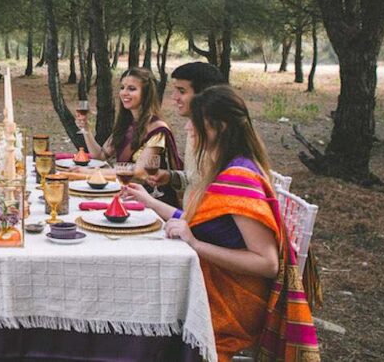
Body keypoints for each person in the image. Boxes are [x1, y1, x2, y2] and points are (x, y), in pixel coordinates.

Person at [123, 86, 319, 360]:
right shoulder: (229, 168)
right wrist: (150, 202)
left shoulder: (238, 176)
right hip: (218, 285)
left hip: (234, 302)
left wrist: (195, 244)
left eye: (195, 120)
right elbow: (202, 225)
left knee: (146, 314)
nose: (189, 128)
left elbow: (267, 262)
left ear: (220, 127)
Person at [75, 67, 182, 200]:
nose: (124, 93)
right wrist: (86, 129)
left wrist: (90, 172)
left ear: (146, 93)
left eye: (131, 89)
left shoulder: (157, 128)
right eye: (122, 87)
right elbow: (100, 155)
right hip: (125, 191)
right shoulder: (126, 124)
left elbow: (139, 171)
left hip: (150, 197)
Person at [148, 61, 228, 203]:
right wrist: (170, 176)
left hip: (200, 222)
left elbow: (216, 192)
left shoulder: (218, 136)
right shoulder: (194, 128)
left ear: (204, 95)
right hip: (186, 219)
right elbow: (194, 178)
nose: (174, 97)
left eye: (182, 91)